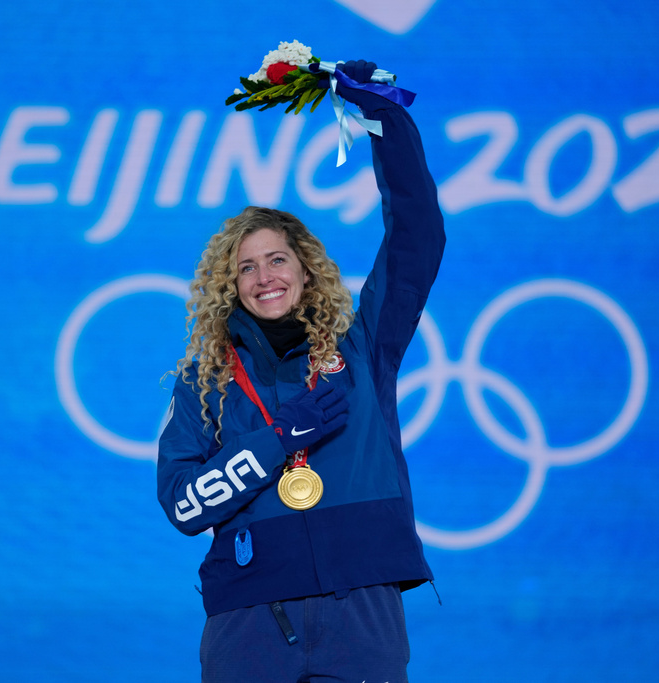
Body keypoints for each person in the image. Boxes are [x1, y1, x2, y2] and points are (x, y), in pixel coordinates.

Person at [157, 60, 446, 683]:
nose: (265, 277)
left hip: (361, 610)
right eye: (247, 268)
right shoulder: (207, 380)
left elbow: (417, 240)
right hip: (250, 620)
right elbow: (183, 505)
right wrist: (272, 444)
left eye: (278, 259)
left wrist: (386, 120)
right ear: (228, 288)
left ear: (306, 269)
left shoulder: (365, 346)